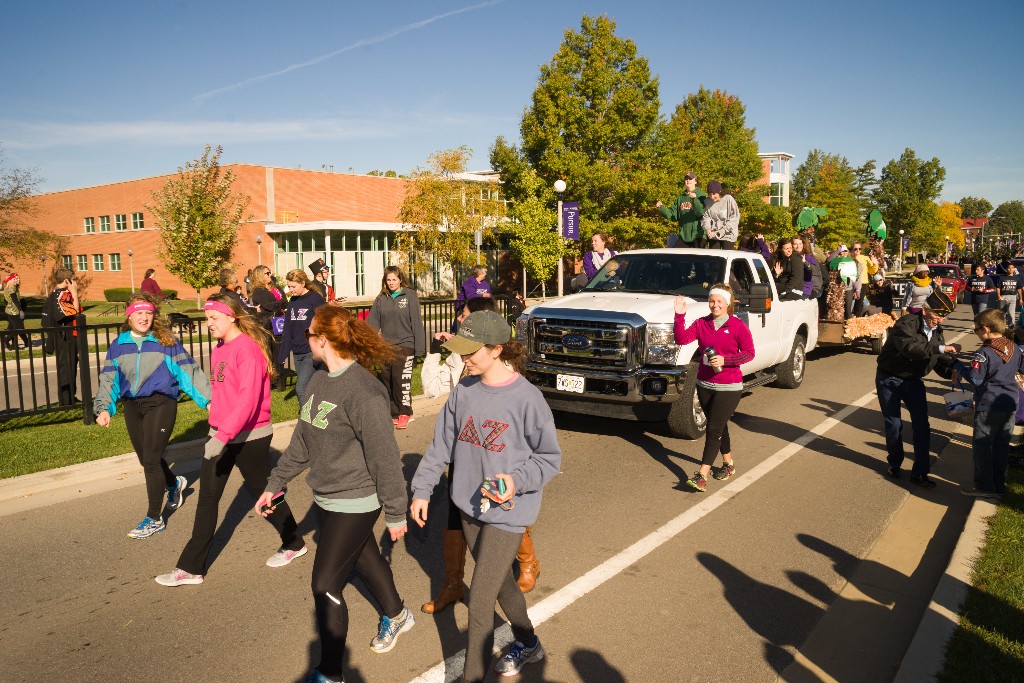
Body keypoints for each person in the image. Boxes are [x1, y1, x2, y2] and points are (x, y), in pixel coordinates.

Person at [256, 305, 413, 683]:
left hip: (356, 501)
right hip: (327, 497)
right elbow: (302, 443)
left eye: (309, 333)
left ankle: (330, 673)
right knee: (363, 558)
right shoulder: (320, 381)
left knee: (325, 584)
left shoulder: (365, 392)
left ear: (323, 340)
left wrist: (395, 512)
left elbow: (385, 459)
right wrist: (275, 483)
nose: (304, 338)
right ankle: (397, 614)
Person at [410, 311, 561, 682]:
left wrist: (517, 480)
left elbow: (550, 458)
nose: (464, 358)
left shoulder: (528, 399)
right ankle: (528, 642)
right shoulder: (464, 390)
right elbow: (440, 445)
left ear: (496, 349)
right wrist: (422, 489)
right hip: (468, 507)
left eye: (471, 351)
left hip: (508, 512)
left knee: (479, 601)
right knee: (501, 584)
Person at [156, 293, 305, 587]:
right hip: (222, 432)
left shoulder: (247, 350)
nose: (208, 324)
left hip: (251, 435)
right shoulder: (220, 348)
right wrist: (214, 415)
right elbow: (225, 392)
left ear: (231, 316)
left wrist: (222, 435)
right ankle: (191, 568)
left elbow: (248, 401)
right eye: (207, 318)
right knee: (209, 499)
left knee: (265, 494)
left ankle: (293, 542)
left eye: (213, 318)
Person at [422, 297, 545, 617]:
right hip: (464, 454)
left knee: (504, 521)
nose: (459, 323)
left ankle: (527, 562)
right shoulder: (464, 356)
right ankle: (453, 584)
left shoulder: (502, 366)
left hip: (497, 462)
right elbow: (436, 391)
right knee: (453, 519)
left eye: (465, 317)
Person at [94, 293, 211, 539]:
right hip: (132, 406)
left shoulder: (165, 341)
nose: (144, 318)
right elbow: (109, 379)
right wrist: (104, 407)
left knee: (150, 461)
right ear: (129, 315)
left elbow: (188, 371)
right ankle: (173, 484)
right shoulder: (119, 344)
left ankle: (154, 518)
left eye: (148, 313)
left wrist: (209, 400)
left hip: (161, 403)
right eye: (138, 313)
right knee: (147, 458)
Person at [673, 284, 755, 492]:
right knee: (718, 425)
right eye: (712, 301)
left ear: (728, 304)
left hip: (729, 386)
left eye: (719, 301)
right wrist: (679, 316)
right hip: (705, 384)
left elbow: (749, 353)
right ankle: (728, 464)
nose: (715, 305)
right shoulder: (702, 324)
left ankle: (701, 475)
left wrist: (726, 360)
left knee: (713, 429)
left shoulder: (737, 326)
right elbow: (681, 339)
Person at [875, 290, 961, 489]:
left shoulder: (937, 332)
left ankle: (920, 472)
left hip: (913, 380)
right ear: (924, 310)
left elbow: (936, 360)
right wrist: (942, 349)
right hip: (890, 378)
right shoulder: (905, 324)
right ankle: (895, 464)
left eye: (943, 316)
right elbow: (911, 349)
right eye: (937, 314)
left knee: (922, 425)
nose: (939, 320)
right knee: (894, 423)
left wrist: (952, 371)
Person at [955, 309, 1023, 498]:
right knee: (1002, 446)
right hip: (1010, 403)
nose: (976, 332)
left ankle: (984, 486)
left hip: (989, 403)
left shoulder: (983, 353)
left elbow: (976, 380)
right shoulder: (1014, 347)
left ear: (985, 329)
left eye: (976, 329)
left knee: (983, 446)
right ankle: (999, 484)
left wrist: (960, 367)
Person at [368, 266, 425, 430]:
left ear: (400, 279)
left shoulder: (410, 296)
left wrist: (419, 350)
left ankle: (405, 413)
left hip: (406, 344)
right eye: (388, 280)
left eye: (394, 279)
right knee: (387, 380)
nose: (391, 283)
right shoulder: (381, 299)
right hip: (386, 346)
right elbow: (372, 323)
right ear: (385, 281)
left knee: (401, 380)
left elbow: (416, 323)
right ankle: (394, 413)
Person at [278, 269, 327, 406]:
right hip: (297, 352)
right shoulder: (292, 301)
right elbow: (287, 329)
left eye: (293, 286)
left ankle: (305, 420)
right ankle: (314, 415)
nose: (290, 290)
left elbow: (324, 324)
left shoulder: (315, 299)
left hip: (311, 351)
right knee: (309, 388)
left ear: (303, 283)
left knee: (300, 388)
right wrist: (283, 354)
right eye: (289, 286)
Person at [42, 267, 82, 405]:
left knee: (70, 366)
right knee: (66, 368)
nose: (75, 282)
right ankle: (66, 401)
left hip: (68, 337)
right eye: (74, 279)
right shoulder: (60, 295)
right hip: (64, 338)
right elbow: (75, 312)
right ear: (67, 280)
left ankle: (71, 397)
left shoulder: (58, 293)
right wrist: (75, 294)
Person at [656, 172, 706, 248]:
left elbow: (701, 213)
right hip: (684, 236)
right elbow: (673, 216)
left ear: (695, 181)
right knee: (675, 257)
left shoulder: (701, 195)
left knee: (696, 260)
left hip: (698, 236)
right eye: (686, 179)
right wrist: (661, 208)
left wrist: (694, 200)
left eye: (690, 179)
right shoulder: (680, 198)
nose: (688, 181)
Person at [701, 180, 739, 250]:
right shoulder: (707, 201)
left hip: (728, 234)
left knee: (725, 257)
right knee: (714, 257)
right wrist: (708, 228)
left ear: (719, 192)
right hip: (714, 234)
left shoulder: (728, 199)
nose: (712, 197)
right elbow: (706, 217)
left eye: (714, 194)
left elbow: (734, 218)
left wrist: (722, 231)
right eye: (710, 194)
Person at [850, 242, 879, 316]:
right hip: (851, 283)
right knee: (849, 304)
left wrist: (875, 263)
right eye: (855, 249)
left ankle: (857, 320)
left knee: (859, 304)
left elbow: (872, 271)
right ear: (852, 249)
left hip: (862, 283)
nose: (858, 250)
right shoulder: (849, 258)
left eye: (859, 248)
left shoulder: (865, 258)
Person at [3, 273, 29, 349]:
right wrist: (21, 311)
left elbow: (6, 300)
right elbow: (15, 300)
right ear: (10, 280)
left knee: (12, 328)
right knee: (18, 329)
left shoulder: (10, 287)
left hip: (10, 310)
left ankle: (14, 345)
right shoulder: (11, 288)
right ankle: (6, 341)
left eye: (18, 279)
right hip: (14, 312)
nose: (17, 280)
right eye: (15, 279)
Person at [792, 234, 823, 299]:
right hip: (796, 287)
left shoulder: (808, 257)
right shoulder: (791, 257)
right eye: (795, 244)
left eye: (800, 244)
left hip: (810, 289)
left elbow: (815, 271)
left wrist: (805, 263)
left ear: (803, 244)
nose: (798, 246)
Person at [997, 261, 1024, 327]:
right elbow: (998, 287)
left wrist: (1020, 299)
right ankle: (1001, 327)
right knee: (1001, 314)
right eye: (1009, 268)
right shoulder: (1001, 278)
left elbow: (1019, 289)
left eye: (1012, 268)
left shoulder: (1017, 278)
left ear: (1014, 269)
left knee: (1011, 314)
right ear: (1006, 269)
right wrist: (998, 295)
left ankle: (1011, 328)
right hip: (1003, 297)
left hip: (1013, 297)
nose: (1010, 269)